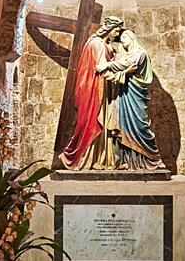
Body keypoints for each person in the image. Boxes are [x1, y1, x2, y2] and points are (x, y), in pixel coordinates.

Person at [59, 16, 124, 170]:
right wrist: (121, 62)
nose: (117, 34)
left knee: (99, 122)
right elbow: (101, 67)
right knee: (93, 122)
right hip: (95, 90)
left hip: (101, 88)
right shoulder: (97, 44)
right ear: (108, 29)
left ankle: (100, 159)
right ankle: (87, 159)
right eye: (116, 30)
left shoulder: (99, 43)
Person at [95, 29, 163, 171]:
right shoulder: (124, 56)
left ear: (132, 38)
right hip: (122, 96)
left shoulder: (140, 54)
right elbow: (123, 69)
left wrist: (107, 65)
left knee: (140, 126)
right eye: (121, 37)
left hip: (135, 95)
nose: (122, 39)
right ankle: (127, 161)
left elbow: (126, 65)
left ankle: (152, 158)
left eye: (125, 36)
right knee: (122, 126)